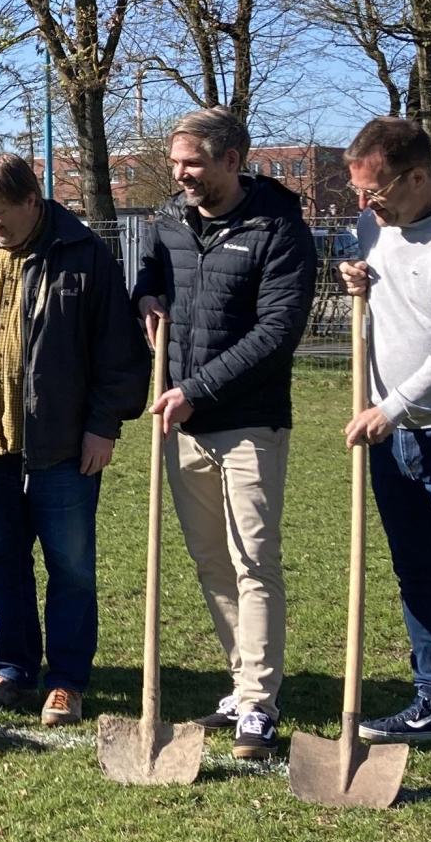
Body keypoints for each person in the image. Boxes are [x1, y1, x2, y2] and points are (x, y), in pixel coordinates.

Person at [0, 154, 150, 727]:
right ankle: (14, 668)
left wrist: (105, 425)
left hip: (66, 445)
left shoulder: (83, 255)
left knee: (70, 566)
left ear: (33, 201)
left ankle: (67, 681)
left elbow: (119, 352)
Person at [131, 108, 317, 758]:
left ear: (233, 159)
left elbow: (276, 334)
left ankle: (259, 707)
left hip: (250, 424)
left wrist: (194, 390)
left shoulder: (279, 230)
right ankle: (243, 684)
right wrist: (146, 299)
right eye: (177, 162)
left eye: (193, 163)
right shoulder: (167, 221)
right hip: (183, 424)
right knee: (212, 563)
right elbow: (152, 274)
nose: (180, 174)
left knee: (253, 561)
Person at [339, 116, 431, 797]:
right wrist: (359, 277)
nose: (366, 206)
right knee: (416, 573)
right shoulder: (378, 228)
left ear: (419, 177)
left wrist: (391, 407)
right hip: (393, 439)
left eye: (376, 192)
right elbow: (388, 293)